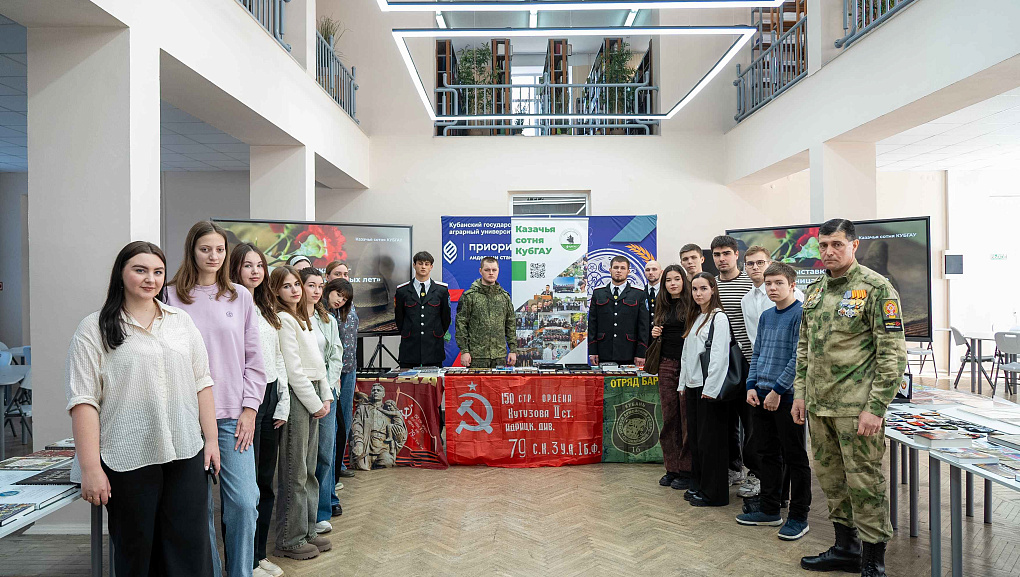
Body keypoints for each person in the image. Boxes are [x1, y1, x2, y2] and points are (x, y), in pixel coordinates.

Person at [67, 241, 218, 577]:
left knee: (189, 553)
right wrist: (91, 468)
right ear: (121, 274)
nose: (151, 279)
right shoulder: (93, 330)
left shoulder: (181, 322)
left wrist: (211, 440)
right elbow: (83, 401)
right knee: (138, 554)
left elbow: (202, 381)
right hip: (128, 456)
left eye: (158, 272)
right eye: (140, 270)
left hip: (185, 450)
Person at [793, 219, 905, 576]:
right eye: (823, 245)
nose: (828, 252)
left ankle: (873, 561)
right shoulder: (815, 290)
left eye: (837, 245)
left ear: (854, 245)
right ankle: (845, 548)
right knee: (831, 481)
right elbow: (805, 348)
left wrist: (876, 408)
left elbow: (892, 354)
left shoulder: (877, 288)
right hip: (819, 406)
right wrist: (799, 393)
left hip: (856, 410)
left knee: (865, 483)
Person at [165, 221, 266, 577]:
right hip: (185, 418)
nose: (213, 256)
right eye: (206, 249)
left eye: (220, 250)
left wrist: (251, 409)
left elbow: (255, 360)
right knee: (198, 508)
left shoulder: (240, 296)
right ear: (192, 250)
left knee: (243, 504)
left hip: (233, 417)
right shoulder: (170, 295)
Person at [736, 262, 811, 541]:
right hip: (761, 394)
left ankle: (799, 517)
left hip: (787, 397)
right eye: (768, 284)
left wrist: (778, 390)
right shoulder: (767, 316)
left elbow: (798, 357)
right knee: (766, 454)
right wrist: (751, 385)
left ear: (792, 285)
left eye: (778, 283)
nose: (772, 288)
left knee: (795, 458)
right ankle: (769, 509)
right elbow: (757, 354)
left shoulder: (800, 315)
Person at [228, 243, 289, 577]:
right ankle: (242, 560)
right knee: (244, 490)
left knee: (265, 482)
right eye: (247, 265)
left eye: (260, 265)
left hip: (269, 396)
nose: (255, 271)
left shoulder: (267, 307)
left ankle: (257, 555)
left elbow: (277, 356)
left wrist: (282, 401)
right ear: (234, 267)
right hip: (241, 400)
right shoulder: (229, 304)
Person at [270, 266, 332, 561]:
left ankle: (306, 531)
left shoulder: (302, 317)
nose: (295, 290)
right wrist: (315, 402)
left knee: (309, 472)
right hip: (299, 399)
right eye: (287, 286)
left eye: (297, 284)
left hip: (313, 396)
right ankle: (289, 538)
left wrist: (327, 395)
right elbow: (294, 371)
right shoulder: (282, 318)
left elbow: (318, 363)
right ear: (276, 292)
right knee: (295, 473)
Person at [676, 273, 732, 507]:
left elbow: (719, 357)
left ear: (713, 290)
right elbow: (686, 355)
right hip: (692, 386)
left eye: (703, 289)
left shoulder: (718, 318)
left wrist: (710, 389)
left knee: (711, 443)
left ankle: (714, 494)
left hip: (708, 389)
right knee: (698, 441)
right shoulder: (697, 316)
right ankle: (699, 485)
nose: (698, 293)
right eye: (695, 289)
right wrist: (682, 383)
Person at [711, 235, 759, 498]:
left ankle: (755, 473)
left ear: (736, 255)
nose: (722, 259)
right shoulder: (711, 285)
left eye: (726, 253)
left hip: (750, 363)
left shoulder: (749, 284)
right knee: (726, 420)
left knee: (750, 421)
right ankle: (733, 468)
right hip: (722, 364)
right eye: (717, 254)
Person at [298, 268, 344, 536]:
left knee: (325, 454)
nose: (316, 291)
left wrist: (327, 388)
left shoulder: (327, 319)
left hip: (326, 394)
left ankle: (320, 512)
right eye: (310, 285)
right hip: (300, 393)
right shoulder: (288, 318)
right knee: (302, 459)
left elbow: (336, 355)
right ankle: (299, 515)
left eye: (319, 286)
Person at [649, 264, 694, 491]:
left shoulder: (692, 303)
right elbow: (658, 328)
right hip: (666, 364)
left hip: (688, 366)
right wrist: (656, 331)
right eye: (668, 280)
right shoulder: (662, 304)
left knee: (686, 418)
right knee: (669, 418)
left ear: (684, 281)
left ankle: (687, 470)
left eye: (677, 279)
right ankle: (672, 468)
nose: (673, 283)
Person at [325, 278, 357, 493]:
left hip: (349, 369)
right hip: (329, 375)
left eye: (344, 298)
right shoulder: (321, 313)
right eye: (338, 294)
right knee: (332, 426)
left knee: (344, 421)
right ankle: (330, 476)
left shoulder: (348, 310)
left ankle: (338, 467)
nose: (340, 300)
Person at [455, 257, 517, 368]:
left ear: (498, 271)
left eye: (494, 270)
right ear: (480, 271)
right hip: (477, 356)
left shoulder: (504, 297)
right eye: (487, 270)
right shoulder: (470, 296)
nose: (491, 273)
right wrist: (464, 351)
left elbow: (510, 324)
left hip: (499, 356)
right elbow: (461, 325)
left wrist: (513, 350)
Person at [394, 251, 451, 367]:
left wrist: (436, 333)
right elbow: (399, 319)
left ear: (431, 267)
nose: (423, 267)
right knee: (407, 383)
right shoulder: (402, 291)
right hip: (410, 348)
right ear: (414, 265)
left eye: (426, 264)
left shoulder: (442, 291)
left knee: (433, 383)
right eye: (420, 263)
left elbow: (446, 318)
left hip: (433, 348)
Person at [741, 245, 804, 349]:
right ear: (745, 267)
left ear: (769, 264)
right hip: (759, 359)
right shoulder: (745, 300)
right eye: (750, 263)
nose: (755, 267)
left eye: (760, 262)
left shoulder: (791, 292)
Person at [643, 259, 662, 346]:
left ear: (661, 272)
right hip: (645, 341)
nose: (650, 272)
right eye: (647, 270)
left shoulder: (667, 292)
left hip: (662, 340)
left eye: (654, 269)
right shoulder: (640, 293)